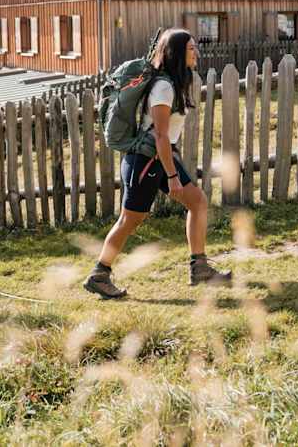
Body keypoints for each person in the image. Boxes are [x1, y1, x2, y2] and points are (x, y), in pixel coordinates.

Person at [83, 29, 232, 299]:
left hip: (160, 157)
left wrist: (171, 168)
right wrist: (173, 176)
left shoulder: (174, 83)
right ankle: (99, 274)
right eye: (190, 48)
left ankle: (199, 268)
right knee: (131, 219)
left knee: (197, 201)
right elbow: (160, 134)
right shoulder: (163, 88)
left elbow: (165, 139)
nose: (196, 52)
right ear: (176, 53)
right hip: (145, 161)